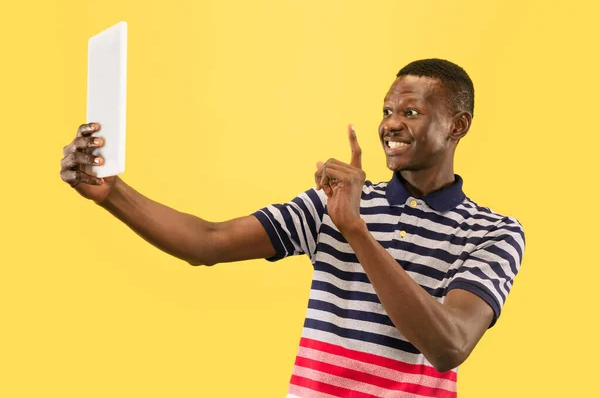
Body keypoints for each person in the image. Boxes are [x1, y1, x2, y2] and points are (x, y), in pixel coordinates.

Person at [60, 58, 525, 397]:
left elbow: (450, 345)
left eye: (411, 112)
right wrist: (112, 194)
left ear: (458, 125)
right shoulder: (335, 202)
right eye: (387, 110)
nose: (391, 125)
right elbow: (208, 241)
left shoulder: (492, 232)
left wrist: (356, 231)